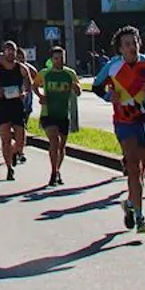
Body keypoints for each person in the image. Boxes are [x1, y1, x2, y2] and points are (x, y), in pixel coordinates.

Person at [93, 26, 145, 231]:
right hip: (124, 122)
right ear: (120, 48)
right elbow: (96, 86)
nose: (132, 47)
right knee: (134, 168)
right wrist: (110, 96)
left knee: (142, 170)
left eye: (135, 42)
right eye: (127, 44)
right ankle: (140, 217)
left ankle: (130, 203)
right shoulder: (113, 66)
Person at [0, 42, 36, 181]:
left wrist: (24, 93)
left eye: (13, 51)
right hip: (2, 107)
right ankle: (9, 168)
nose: (10, 53)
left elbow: (29, 85)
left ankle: (15, 152)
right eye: (8, 50)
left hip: (16, 106)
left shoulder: (21, 69)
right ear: (3, 52)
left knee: (21, 140)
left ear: (16, 53)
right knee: (6, 140)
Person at [37, 44, 81, 187]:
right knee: (54, 142)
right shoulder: (45, 73)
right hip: (48, 112)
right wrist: (40, 95)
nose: (59, 61)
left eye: (61, 58)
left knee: (61, 146)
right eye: (56, 58)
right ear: (52, 59)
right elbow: (33, 85)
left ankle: (57, 170)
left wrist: (76, 88)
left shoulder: (70, 73)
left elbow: (78, 91)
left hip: (63, 113)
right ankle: (53, 173)